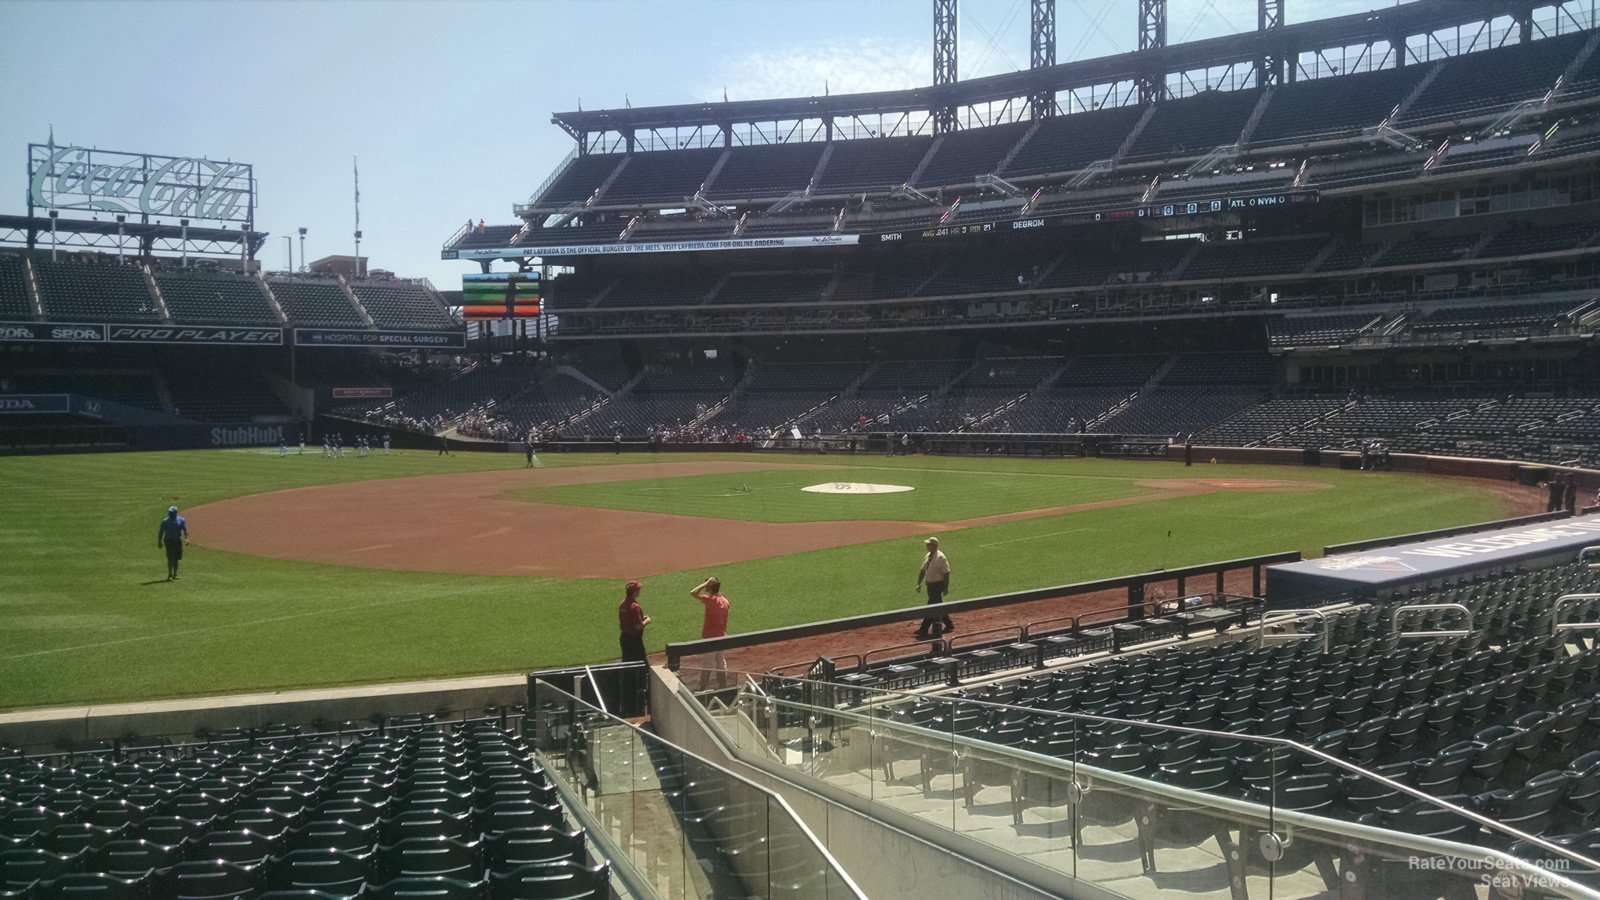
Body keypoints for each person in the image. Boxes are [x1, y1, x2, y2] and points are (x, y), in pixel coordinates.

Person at [688, 576, 731, 689]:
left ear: (710, 588)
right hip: (722, 636)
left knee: (707, 664)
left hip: (710, 638)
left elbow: (693, 592)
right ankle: (723, 687)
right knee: (721, 663)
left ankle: (703, 688)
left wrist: (705, 584)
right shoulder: (726, 601)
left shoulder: (710, 600)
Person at [915, 537, 954, 639]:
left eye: (929, 544)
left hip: (938, 585)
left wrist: (946, 588)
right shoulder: (928, 556)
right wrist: (919, 583)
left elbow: (946, 573)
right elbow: (923, 570)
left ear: (935, 545)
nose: (927, 546)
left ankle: (924, 628)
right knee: (938, 605)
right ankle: (949, 624)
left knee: (931, 606)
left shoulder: (941, 557)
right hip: (930, 585)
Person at [157, 506, 189, 581]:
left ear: (175, 513)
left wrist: (187, 538)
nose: (169, 513)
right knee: (170, 558)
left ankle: (175, 574)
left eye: (171, 512)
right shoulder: (165, 521)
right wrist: (159, 541)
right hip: (169, 541)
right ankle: (170, 574)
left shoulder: (181, 520)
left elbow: (185, 529)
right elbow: (161, 532)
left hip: (177, 541)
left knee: (176, 558)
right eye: (169, 512)